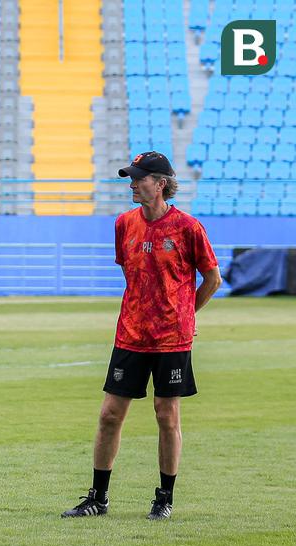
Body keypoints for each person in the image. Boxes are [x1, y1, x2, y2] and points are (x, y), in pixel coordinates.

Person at [62, 152, 221, 520]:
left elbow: (212, 279)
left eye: (139, 178)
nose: (132, 184)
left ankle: (164, 498)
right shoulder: (124, 225)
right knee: (109, 415)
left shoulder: (188, 228)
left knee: (166, 415)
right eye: (130, 178)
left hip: (172, 340)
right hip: (130, 335)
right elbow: (133, 275)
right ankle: (98, 499)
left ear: (160, 183)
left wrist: (185, 313)